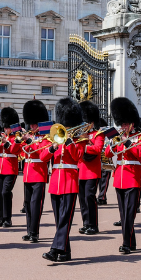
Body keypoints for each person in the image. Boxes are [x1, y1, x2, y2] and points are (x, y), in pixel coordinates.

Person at [42, 98, 86, 263]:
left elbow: (77, 157)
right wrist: (51, 148)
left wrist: (68, 142)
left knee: (64, 218)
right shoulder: (54, 137)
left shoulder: (79, 138)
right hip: (55, 181)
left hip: (69, 180)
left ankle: (54, 250)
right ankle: (65, 252)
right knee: (59, 219)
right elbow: (42, 157)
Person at [106, 97, 141, 254]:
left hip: (132, 178)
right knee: (123, 213)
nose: (123, 126)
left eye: (125, 123)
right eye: (122, 124)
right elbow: (106, 153)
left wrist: (127, 143)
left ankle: (125, 243)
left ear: (132, 123)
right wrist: (112, 144)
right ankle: (131, 242)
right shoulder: (118, 136)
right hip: (119, 178)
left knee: (130, 213)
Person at [20, 99, 53, 243]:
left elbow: (43, 155)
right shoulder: (31, 136)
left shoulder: (46, 138)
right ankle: (29, 231)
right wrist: (23, 140)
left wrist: (29, 142)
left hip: (39, 173)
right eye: (31, 123)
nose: (32, 126)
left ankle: (35, 232)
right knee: (27, 204)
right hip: (28, 173)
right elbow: (22, 151)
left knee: (35, 205)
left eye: (34, 124)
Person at [77, 100, 103, 236]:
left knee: (89, 197)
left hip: (92, 171)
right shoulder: (79, 135)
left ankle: (93, 224)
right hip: (81, 170)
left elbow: (97, 149)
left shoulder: (98, 134)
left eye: (87, 121)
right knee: (82, 198)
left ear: (92, 122)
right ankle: (86, 223)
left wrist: (86, 142)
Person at [0, 107, 21, 228]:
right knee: (0, 193)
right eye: (5, 127)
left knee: (6, 192)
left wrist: (6, 142)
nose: (6, 129)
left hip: (11, 167)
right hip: (0, 167)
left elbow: (15, 150)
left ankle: (8, 218)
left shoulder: (16, 137)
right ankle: (1, 218)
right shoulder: (1, 136)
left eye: (8, 127)